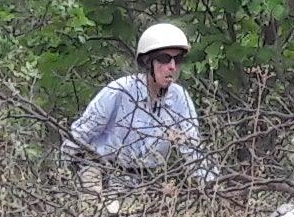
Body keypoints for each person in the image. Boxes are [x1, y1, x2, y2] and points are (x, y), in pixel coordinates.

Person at [68, 22, 211, 194]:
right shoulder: (118, 91)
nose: (172, 66)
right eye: (164, 58)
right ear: (147, 61)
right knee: (107, 209)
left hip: (145, 181)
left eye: (178, 59)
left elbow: (192, 148)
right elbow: (80, 135)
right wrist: (64, 177)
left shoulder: (180, 98)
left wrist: (213, 188)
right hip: (101, 171)